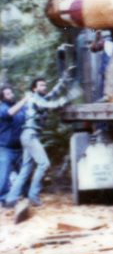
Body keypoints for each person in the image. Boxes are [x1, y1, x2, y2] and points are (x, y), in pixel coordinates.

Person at [3, 75, 73, 209]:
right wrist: (66, 99)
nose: (44, 87)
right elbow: (50, 104)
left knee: (26, 169)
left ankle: (10, 200)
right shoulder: (34, 99)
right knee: (44, 164)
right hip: (30, 135)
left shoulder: (41, 97)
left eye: (45, 85)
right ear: (34, 89)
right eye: (41, 85)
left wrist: (62, 80)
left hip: (29, 135)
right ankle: (33, 196)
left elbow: (53, 94)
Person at [0, 86, 26, 202]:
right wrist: (24, 100)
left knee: (24, 172)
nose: (11, 95)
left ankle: (24, 194)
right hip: (5, 148)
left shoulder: (20, 109)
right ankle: (3, 198)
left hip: (20, 147)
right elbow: (9, 113)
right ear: (3, 98)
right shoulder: (2, 108)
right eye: (8, 94)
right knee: (4, 175)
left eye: (11, 93)